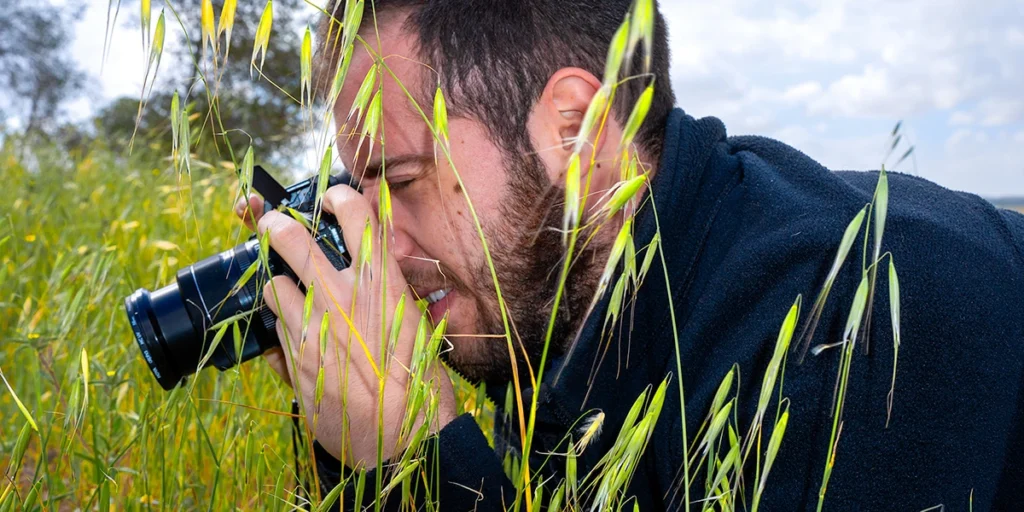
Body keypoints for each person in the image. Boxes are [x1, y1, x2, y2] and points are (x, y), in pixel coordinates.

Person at [233, 1, 1024, 509]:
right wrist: (353, 442)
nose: (381, 244)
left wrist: (422, 457)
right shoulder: (562, 300)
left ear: (573, 131)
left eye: (400, 180)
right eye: (358, 194)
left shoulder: (861, 315)